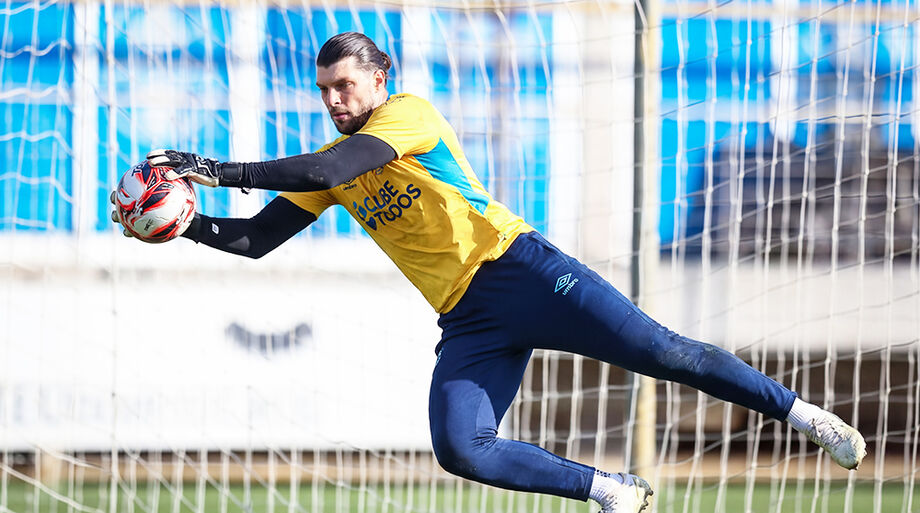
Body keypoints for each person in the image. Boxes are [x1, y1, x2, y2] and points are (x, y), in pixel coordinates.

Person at [111, 32, 867, 513]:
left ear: (380, 80)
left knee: (665, 353)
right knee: (462, 446)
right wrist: (181, 226)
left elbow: (332, 164)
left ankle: (804, 415)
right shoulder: (330, 161)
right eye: (325, 90)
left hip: (522, 271)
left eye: (346, 85)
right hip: (470, 318)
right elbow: (255, 240)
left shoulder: (406, 116)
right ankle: (609, 489)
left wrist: (208, 168)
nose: (335, 99)